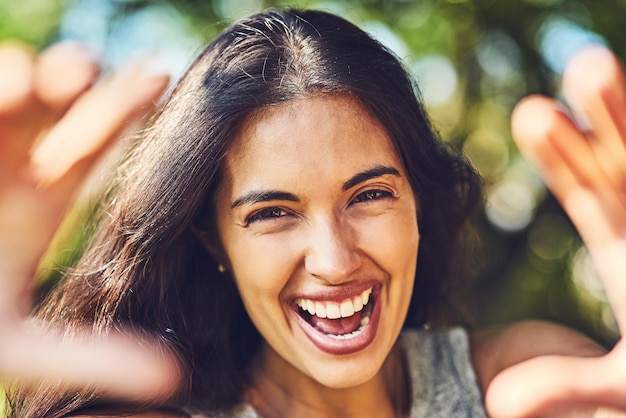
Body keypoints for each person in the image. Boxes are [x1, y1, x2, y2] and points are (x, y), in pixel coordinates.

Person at [1, 7, 626, 418]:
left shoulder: (523, 384)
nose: (334, 261)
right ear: (213, 240)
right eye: (273, 212)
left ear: (417, 201)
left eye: (370, 194)